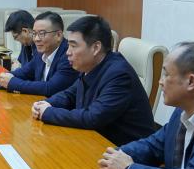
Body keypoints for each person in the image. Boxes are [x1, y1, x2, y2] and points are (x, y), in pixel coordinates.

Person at [32, 15, 155, 145]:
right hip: (95, 141)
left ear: (96, 48)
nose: (68, 52)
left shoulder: (119, 74)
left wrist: (48, 112)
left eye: (73, 46)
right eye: (68, 46)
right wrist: (46, 104)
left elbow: (93, 117)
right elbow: (70, 94)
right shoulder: (91, 65)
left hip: (123, 150)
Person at [0, 11, 78, 97]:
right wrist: (6, 76)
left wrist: (12, 83)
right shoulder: (41, 53)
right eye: (34, 34)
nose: (36, 39)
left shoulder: (69, 56)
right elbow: (25, 72)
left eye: (42, 34)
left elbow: (50, 88)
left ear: (58, 35)